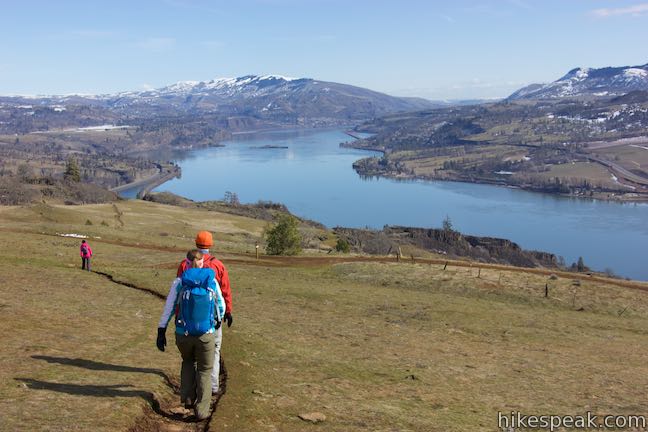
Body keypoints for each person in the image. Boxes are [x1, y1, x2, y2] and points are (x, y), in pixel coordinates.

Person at [157, 249, 225, 420]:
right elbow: (221, 306)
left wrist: (161, 329)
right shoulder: (211, 281)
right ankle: (202, 410)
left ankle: (188, 398)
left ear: (186, 263)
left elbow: (169, 308)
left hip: (183, 333)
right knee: (204, 369)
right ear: (203, 263)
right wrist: (216, 322)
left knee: (188, 361)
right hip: (206, 335)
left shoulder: (179, 282)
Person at [175, 230, 233, 395]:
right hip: (211, 319)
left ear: (196, 243)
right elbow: (225, 290)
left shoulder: (184, 264)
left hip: (186, 319)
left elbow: (179, 290)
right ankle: (212, 387)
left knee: (189, 357)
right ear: (211, 244)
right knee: (213, 350)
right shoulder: (217, 265)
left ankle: (190, 389)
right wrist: (227, 311)